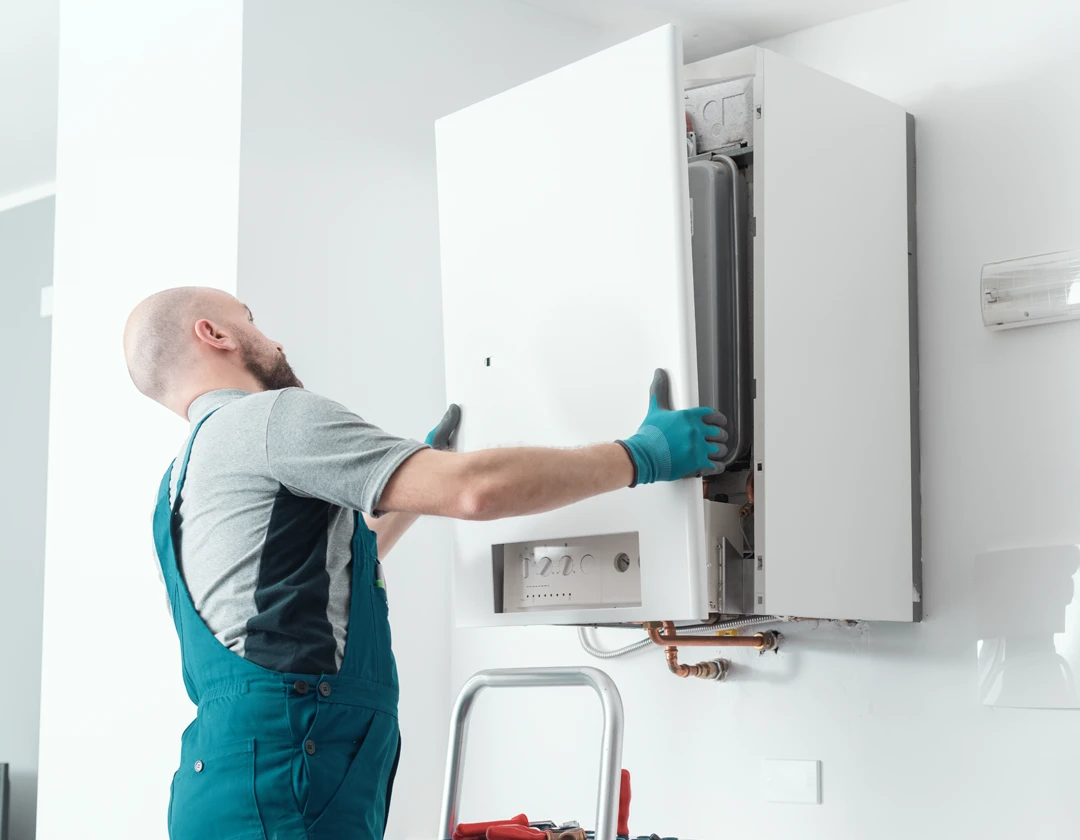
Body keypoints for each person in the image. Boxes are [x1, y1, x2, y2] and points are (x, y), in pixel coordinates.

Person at [122, 286, 727, 840]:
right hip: (286, 781)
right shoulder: (272, 417)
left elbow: (324, 576)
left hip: (220, 786)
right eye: (251, 321)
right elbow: (476, 491)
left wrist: (408, 485)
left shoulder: (176, 483)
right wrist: (639, 457)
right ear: (215, 335)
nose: (275, 340)